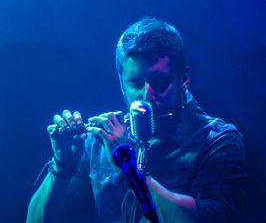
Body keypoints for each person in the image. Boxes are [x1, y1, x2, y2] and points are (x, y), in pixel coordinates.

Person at [26, 17, 246, 223]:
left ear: (184, 80)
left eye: (159, 82)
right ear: (121, 84)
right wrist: (62, 167)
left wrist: (128, 164)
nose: (147, 95)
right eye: (136, 83)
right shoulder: (100, 141)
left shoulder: (219, 141)